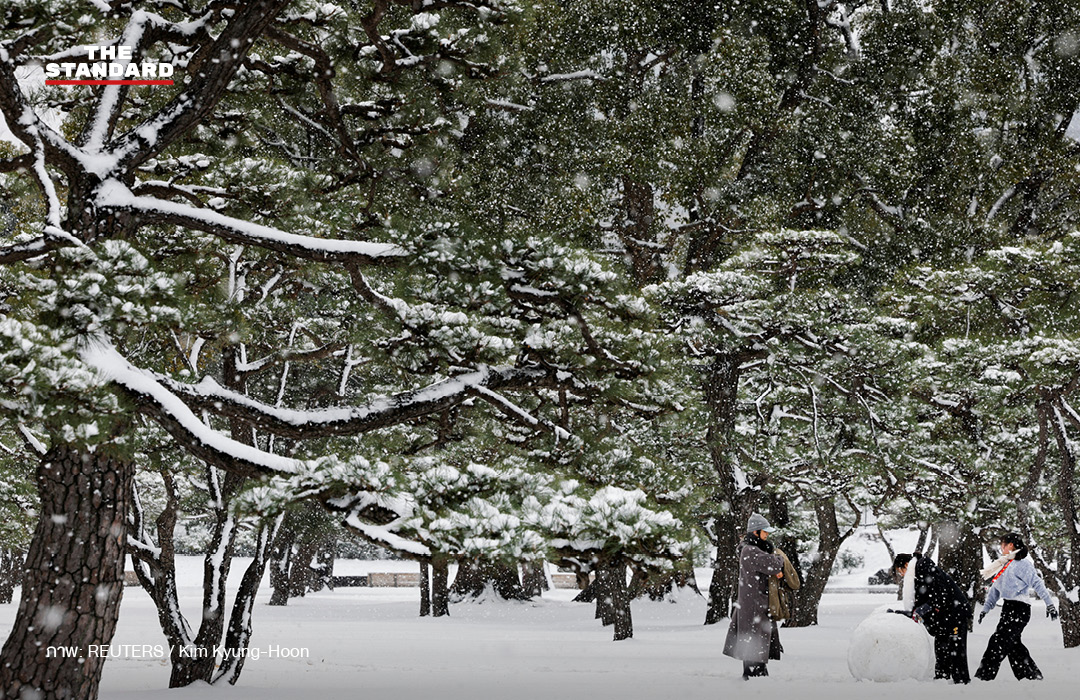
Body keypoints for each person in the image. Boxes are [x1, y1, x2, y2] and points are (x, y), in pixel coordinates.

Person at [974, 532, 1058, 681]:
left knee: (998, 642)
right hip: (1008, 609)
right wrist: (986, 608)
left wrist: (1049, 604)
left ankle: (982, 678)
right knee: (1013, 645)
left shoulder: (1022, 564)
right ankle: (1031, 676)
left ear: (1010, 546)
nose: (1001, 547)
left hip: (1020, 609)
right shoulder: (1005, 565)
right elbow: (995, 590)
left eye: (1003, 544)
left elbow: (1037, 583)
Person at [723, 513, 787, 679]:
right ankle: (754, 679)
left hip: (755, 605)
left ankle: (757, 676)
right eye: (764, 532)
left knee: (756, 646)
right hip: (753, 607)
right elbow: (774, 564)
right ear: (756, 532)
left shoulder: (752, 549)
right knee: (753, 646)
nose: (767, 535)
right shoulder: (750, 551)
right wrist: (779, 558)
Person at [893, 552, 971, 684]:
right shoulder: (917, 575)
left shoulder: (925, 568)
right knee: (941, 644)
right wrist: (906, 613)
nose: (901, 574)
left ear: (906, 565)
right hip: (944, 615)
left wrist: (926, 608)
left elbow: (940, 593)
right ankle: (942, 677)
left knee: (956, 647)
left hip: (955, 612)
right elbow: (920, 600)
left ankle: (961, 680)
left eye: (900, 571)